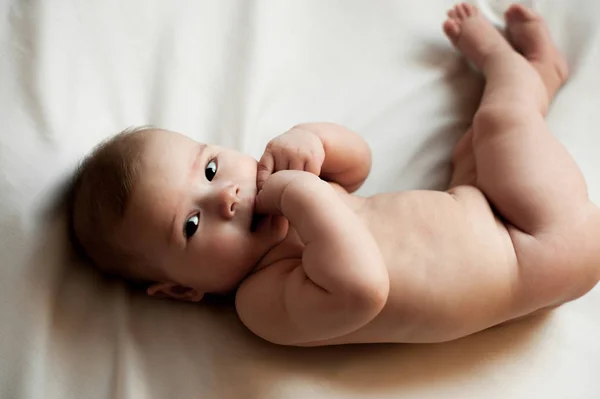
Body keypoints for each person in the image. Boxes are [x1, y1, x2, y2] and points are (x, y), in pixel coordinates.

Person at [70, 3, 600, 346]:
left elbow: (358, 165)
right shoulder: (263, 303)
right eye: (190, 225)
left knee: (475, 145)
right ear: (183, 290)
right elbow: (364, 288)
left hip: (483, 204)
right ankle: (510, 64)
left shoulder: (284, 190)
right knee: (502, 122)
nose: (226, 198)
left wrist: (312, 142)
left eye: (210, 169)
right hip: (539, 242)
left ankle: (543, 77)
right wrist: (302, 193)